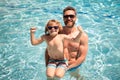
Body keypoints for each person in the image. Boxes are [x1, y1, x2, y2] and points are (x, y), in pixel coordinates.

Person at [45, 6, 88, 79]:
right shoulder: (57, 32)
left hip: (73, 66)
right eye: (66, 16)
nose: (69, 18)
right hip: (56, 65)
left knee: (79, 78)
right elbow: (48, 50)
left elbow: (82, 57)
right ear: (63, 18)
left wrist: (68, 68)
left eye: (71, 16)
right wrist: (47, 65)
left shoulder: (82, 35)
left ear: (76, 18)